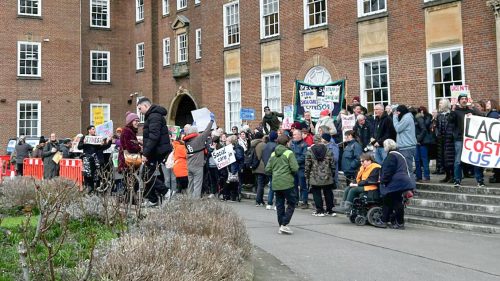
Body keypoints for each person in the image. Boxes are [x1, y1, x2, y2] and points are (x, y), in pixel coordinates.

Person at [137, 97, 172, 205]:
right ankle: (153, 199)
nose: (139, 111)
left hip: (157, 151)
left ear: (146, 106)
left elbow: (154, 136)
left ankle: (165, 192)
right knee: (147, 174)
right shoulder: (153, 116)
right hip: (156, 149)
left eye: (140, 108)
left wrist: (145, 153)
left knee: (147, 174)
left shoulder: (154, 116)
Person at [377, 139, 415, 229]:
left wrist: (383, 181)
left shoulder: (391, 156)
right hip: (402, 181)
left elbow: (388, 171)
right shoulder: (399, 155)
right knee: (397, 202)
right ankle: (399, 222)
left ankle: (384, 221)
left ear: (387, 147)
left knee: (388, 201)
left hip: (396, 182)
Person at [265, 135, 299, 235]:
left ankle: (281, 225)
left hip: (276, 182)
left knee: (279, 204)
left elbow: (267, 169)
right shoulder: (289, 153)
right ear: (287, 142)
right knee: (292, 203)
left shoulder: (273, 154)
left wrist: (275, 174)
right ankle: (284, 223)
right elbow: (295, 168)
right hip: (287, 182)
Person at [448, 94, 484, 187]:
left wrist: (473, 109)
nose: (464, 100)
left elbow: (481, 116)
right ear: (459, 101)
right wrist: (452, 109)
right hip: (459, 139)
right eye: (462, 99)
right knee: (458, 160)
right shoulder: (455, 112)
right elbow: (450, 120)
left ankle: (480, 180)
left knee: (475, 159)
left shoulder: (471, 111)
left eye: (465, 99)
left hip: (471, 139)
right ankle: (457, 180)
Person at [183, 112, 215, 198]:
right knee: (197, 185)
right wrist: (211, 121)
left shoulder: (186, 142)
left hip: (189, 165)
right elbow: (207, 131)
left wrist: (193, 126)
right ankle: (195, 202)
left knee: (190, 184)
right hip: (198, 166)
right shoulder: (199, 139)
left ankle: (189, 200)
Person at [305, 136, 336, 217]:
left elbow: (307, 165)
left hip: (314, 176)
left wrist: (307, 176)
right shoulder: (328, 150)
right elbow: (332, 163)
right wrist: (332, 173)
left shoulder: (310, 151)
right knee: (328, 192)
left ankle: (320, 210)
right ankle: (330, 210)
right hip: (327, 175)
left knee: (316, 193)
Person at [78, 125, 112, 193]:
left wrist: (109, 141)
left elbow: (100, 148)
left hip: (95, 159)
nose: (94, 131)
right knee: (88, 174)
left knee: (96, 175)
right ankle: (89, 188)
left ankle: (95, 190)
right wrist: (84, 143)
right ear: (89, 130)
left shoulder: (96, 138)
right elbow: (79, 147)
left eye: (94, 129)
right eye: (93, 129)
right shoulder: (84, 137)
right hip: (87, 158)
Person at [392, 105, 417, 176]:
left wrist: (394, 117)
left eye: (398, 112)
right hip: (405, 146)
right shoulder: (406, 117)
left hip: (407, 147)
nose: (397, 114)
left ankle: (411, 185)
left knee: (408, 170)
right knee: (405, 169)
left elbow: (398, 128)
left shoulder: (407, 118)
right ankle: (408, 185)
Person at [436, 98, 455, 183]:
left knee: (450, 159)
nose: (439, 104)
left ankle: (453, 176)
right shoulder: (439, 115)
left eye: (441, 103)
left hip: (450, 140)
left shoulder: (451, 114)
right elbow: (437, 126)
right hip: (441, 140)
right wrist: (437, 134)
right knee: (443, 159)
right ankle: (447, 176)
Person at [415, 106, 434, 182]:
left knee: (423, 159)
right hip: (420, 141)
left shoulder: (421, 118)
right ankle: (420, 176)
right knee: (419, 159)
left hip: (422, 141)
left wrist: (418, 139)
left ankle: (425, 176)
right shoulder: (420, 118)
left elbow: (424, 129)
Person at [222, 135, 245, 201]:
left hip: (235, 167)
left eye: (227, 141)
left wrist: (233, 152)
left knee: (235, 182)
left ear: (231, 142)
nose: (226, 142)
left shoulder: (238, 148)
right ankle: (230, 195)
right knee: (231, 181)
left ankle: (235, 196)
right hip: (230, 167)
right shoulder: (228, 148)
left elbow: (240, 157)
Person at [290, 129, 308, 209]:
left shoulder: (304, 145)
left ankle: (304, 202)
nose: (293, 136)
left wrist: (294, 162)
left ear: (300, 135)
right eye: (293, 135)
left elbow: (304, 156)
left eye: (295, 134)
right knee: (294, 186)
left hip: (301, 168)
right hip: (293, 168)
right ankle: (295, 201)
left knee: (303, 186)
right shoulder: (291, 144)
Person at [262, 131, 278, 210]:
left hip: (267, 167)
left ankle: (269, 202)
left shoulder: (265, 146)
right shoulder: (276, 146)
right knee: (276, 186)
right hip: (275, 168)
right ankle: (276, 204)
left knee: (271, 185)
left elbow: (263, 157)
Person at [251, 132, 267, 206]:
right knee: (261, 185)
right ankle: (258, 200)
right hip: (261, 167)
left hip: (255, 166)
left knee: (258, 184)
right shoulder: (263, 145)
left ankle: (260, 200)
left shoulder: (252, 144)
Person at [486, 99, 499, 183]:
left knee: (496, 159)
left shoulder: (493, 114)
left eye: (488, 103)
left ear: (493, 105)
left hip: (494, 140)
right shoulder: (494, 113)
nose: (487, 104)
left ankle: (497, 176)